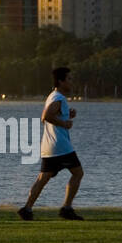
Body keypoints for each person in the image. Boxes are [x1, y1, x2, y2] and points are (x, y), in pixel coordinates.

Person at [18, 67, 84, 221]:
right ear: (61, 81)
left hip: (49, 147)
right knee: (78, 173)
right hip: (61, 146)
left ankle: (27, 209)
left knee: (43, 178)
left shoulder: (52, 96)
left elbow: (46, 118)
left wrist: (67, 115)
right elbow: (46, 116)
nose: (71, 82)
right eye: (69, 79)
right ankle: (66, 208)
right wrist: (65, 123)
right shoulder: (59, 98)